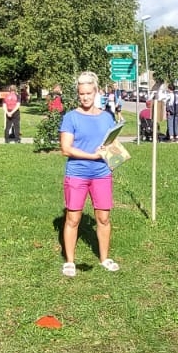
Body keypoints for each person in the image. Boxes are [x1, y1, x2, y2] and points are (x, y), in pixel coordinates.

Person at [59, 71, 121, 277]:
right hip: (77, 174)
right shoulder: (71, 117)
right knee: (73, 218)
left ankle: (104, 258)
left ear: (96, 92)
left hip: (102, 174)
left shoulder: (106, 117)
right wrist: (92, 156)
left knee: (103, 218)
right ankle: (69, 261)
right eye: (81, 94)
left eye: (88, 93)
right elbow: (66, 149)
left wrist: (115, 157)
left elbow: (110, 143)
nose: (85, 97)